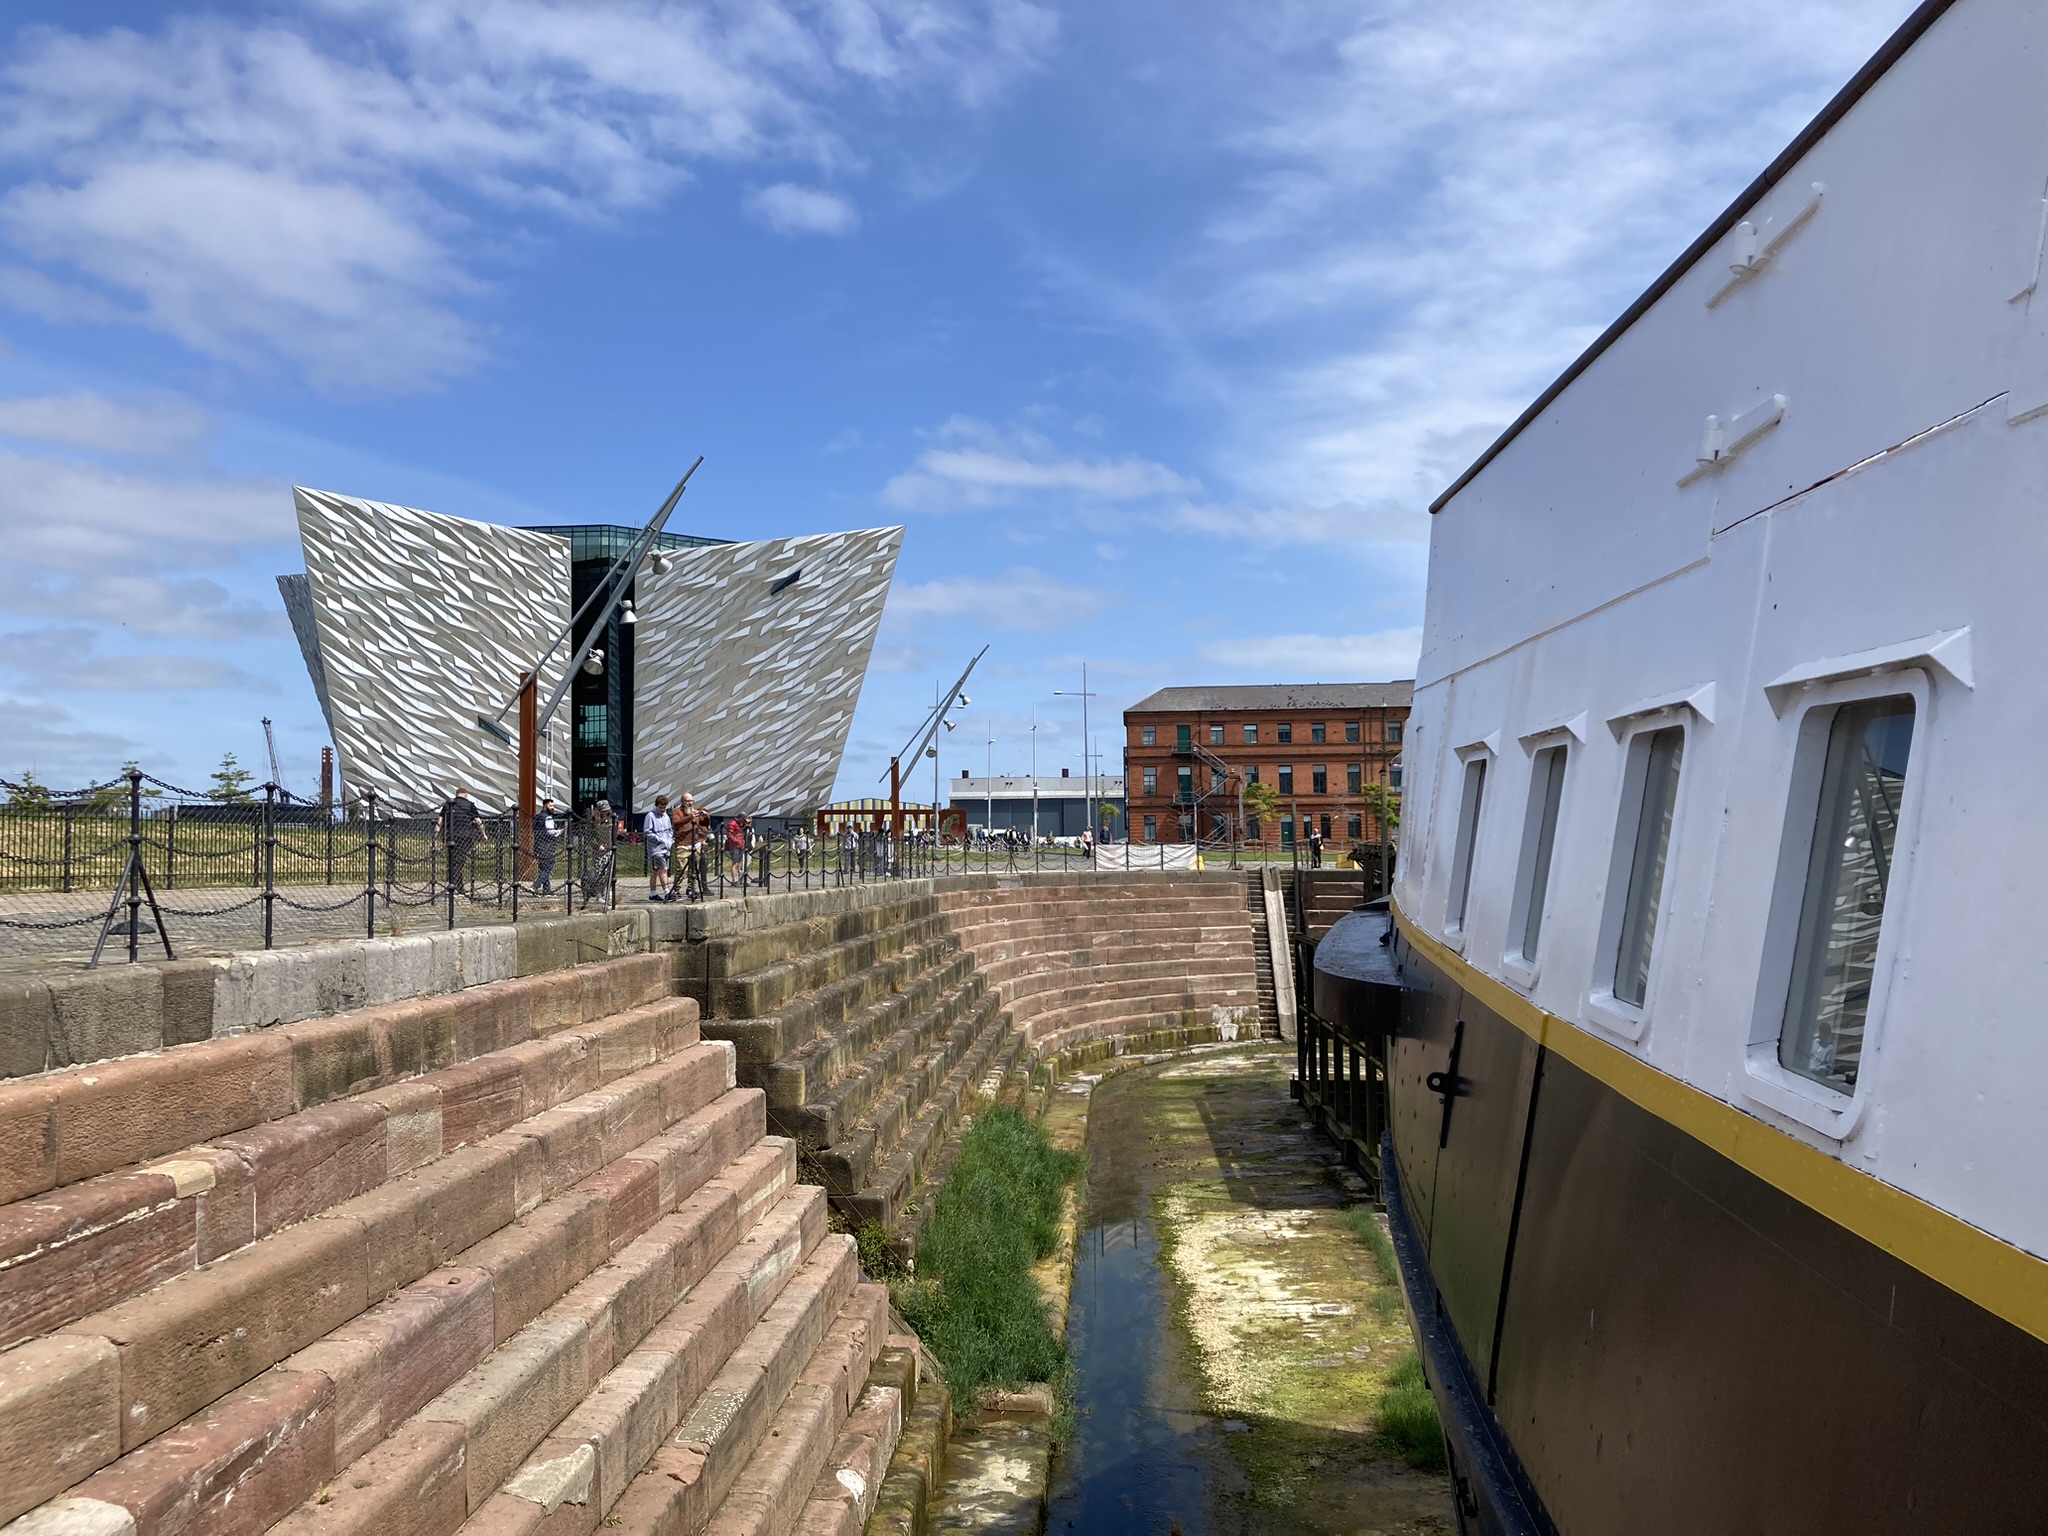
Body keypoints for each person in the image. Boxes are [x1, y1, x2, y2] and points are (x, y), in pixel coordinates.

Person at [437, 786, 486, 893]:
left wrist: (434, 839)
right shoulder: (469, 805)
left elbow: (439, 823)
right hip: (466, 836)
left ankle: (454, 885)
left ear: (456, 794)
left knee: (453, 860)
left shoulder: (448, 805)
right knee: (459, 861)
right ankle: (456, 886)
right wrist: (483, 834)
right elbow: (478, 821)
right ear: (466, 795)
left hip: (451, 836)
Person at [643, 794, 675, 902]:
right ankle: (667, 892)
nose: (662, 810)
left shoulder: (666, 816)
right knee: (663, 869)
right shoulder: (650, 816)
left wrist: (669, 840)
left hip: (666, 847)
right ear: (656, 806)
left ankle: (653, 894)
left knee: (656, 870)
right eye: (660, 807)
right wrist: (660, 839)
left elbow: (670, 830)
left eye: (664, 807)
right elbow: (648, 832)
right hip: (656, 849)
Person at [533, 796, 563, 893]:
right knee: (548, 868)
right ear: (545, 805)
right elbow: (551, 832)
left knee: (543, 868)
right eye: (551, 806)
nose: (553, 808)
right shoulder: (548, 818)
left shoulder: (537, 818)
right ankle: (536, 885)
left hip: (538, 846)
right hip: (547, 846)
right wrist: (559, 831)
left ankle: (546, 890)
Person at [726, 813, 747, 885]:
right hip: (734, 846)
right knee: (735, 863)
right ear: (740, 818)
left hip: (740, 846)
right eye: (743, 820)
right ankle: (734, 880)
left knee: (738, 864)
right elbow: (729, 835)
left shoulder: (738, 824)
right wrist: (737, 841)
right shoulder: (732, 824)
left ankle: (738, 880)